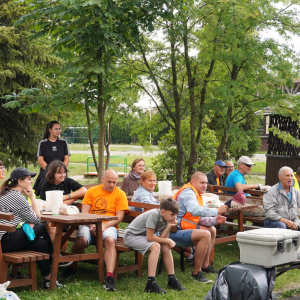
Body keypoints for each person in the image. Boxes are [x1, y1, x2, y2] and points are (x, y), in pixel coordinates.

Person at [61, 169, 129, 291]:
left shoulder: (120, 194)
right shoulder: (92, 191)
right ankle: (72, 267)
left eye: (114, 182)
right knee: (81, 240)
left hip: (108, 226)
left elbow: (119, 217)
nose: (112, 185)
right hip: (89, 224)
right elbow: (85, 212)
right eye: (109, 182)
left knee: (109, 240)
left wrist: (104, 226)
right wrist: (93, 226)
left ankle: (109, 276)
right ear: (102, 179)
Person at [0, 167, 65, 289]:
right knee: (40, 227)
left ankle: (48, 280)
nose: (31, 182)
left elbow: (31, 218)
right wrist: (32, 198)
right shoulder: (17, 197)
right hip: (5, 241)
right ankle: (54, 256)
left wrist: (30, 222)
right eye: (29, 179)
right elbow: (37, 219)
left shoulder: (6, 192)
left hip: (6, 239)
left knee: (41, 244)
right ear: (20, 181)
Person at [169, 172, 228, 283]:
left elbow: (195, 218)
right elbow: (195, 210)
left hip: (182, 226)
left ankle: (205, 266)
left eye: (206, 183)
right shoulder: (188, 193)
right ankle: (196, 273)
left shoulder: (195, 193)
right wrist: (216, 211)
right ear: (193, 182)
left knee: (212, 229)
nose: (205, 185)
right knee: (206, 234)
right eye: (202, 182)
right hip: (173, 230)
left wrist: (215, 220)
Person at [124, 198, 186, 293]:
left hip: (142, 236)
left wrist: (169, 227)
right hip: (131, 236)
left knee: (165, 245)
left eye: (176, 214)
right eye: (172, 214)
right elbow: (150, 237)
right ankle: (151, 283)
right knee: (156, 246)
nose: (175, 217)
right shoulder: (154, 215)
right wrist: (168, 240)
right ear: (162, 212)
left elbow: (163, 237)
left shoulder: (166, 218)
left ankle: (172, 280)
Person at [33, 121, 71, 196]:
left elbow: (66, 159)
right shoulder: (43, 143)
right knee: (46, 196)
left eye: (59, 129)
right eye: (56, 129)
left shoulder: (63, 142)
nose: (58, 131)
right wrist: (51, 172)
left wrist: (60, 171)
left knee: (65, 194)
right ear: (50, 130)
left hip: (61, 172)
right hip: (46, 172)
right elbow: (40, 160)